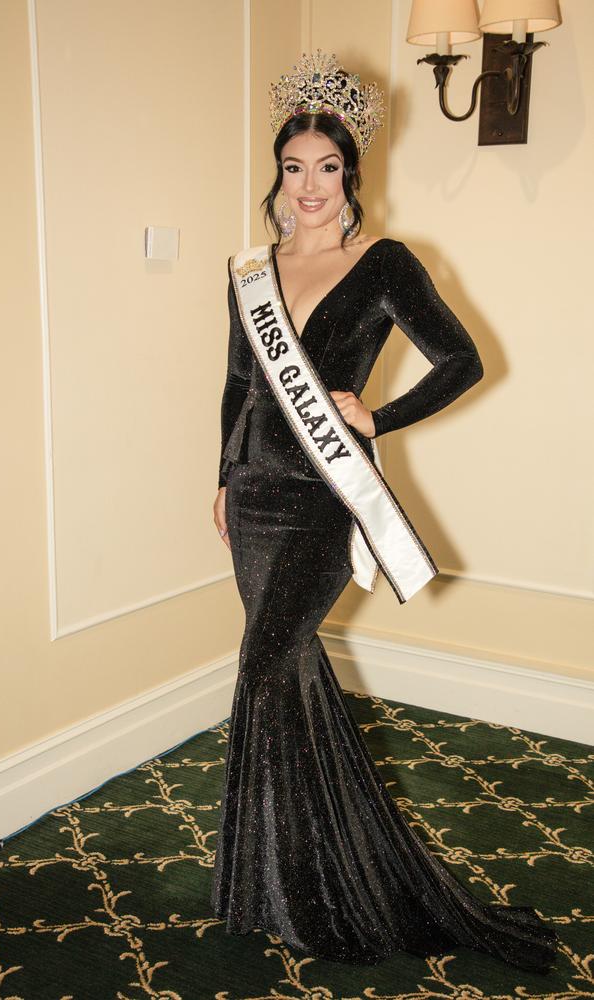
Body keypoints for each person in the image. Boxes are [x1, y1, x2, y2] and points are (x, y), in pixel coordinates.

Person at [210, 50, 559, 971]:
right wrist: (220, 475)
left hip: (324, 501)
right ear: (277, 175)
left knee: (264, 667)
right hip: (251, 498)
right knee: (283, 676)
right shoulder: (253, 271)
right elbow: (240, 383)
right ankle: (274, 878)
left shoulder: (384, 262)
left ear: (351, 175)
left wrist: (379, 415)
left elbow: (462, 361)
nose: (311, 185)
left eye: (329, 167)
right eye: (295, 167)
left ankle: (332, 886)